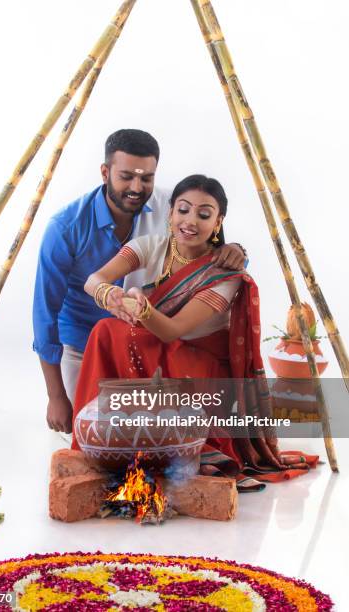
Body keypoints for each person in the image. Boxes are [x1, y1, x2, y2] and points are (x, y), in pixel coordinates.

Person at [72, 174, 318, 485]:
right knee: (106, 330)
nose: (190, 221)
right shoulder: (151, 246)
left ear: (218, 222)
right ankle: (97, 444)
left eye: (203, 214)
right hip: (161, 354)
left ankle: (172, 446)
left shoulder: (225, 273)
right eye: (183, 210)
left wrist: (143, 308)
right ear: (170, 212)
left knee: (123, 333)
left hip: (202, 369)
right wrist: (109, 294)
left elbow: (172, 331)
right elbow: (94, 278)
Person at [33, 130, 246, 436]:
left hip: (154, 340)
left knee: (150, 439)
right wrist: (56, 397)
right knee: (88, 433)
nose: (136, 187)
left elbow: (210, 260)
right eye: (126, 176)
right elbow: (45, 312)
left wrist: (236, 250)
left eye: (146, 177)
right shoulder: (65, 228)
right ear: (105, 172)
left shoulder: (169, 206)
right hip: (84, 343)